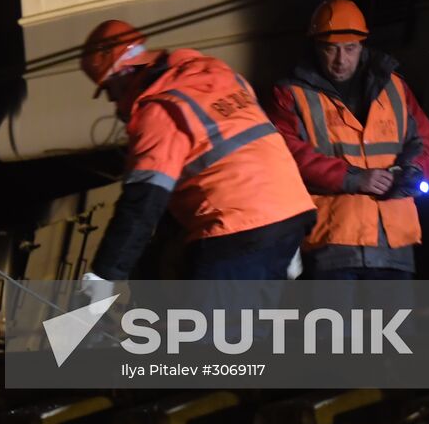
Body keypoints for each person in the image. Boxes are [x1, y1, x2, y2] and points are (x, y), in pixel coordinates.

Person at [76, 19, 316, 299]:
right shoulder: (217, 76)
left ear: (124, 72)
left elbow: (142, 205)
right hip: (289, 215)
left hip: (239, 227)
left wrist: (105, 277)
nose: (114, 103)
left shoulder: (161, 110)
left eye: (109, 90)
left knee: (210, 338)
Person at [266, 0, 429, 280]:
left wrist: (415, 169)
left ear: (362, 45)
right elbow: (285, 154)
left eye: (350, 49)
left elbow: (425, 139)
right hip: (333, 241)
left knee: (387, 326)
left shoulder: (395, 87)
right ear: (316, 47)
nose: (340, 60)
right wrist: (353, 178)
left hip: (393, 242)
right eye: (330, 49)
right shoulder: (291, 94)